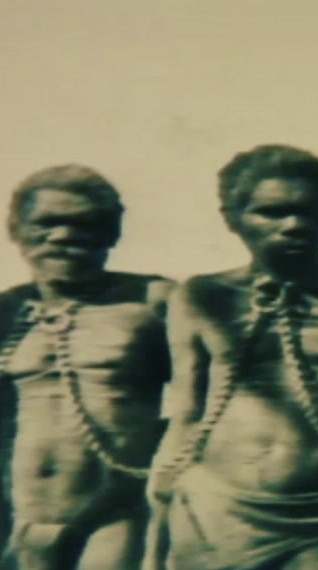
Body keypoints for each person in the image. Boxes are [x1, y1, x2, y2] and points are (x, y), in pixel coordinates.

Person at [143, 144, 318, 570]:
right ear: (231, 218)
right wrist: (158, 527)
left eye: (309, 211)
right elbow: (185, 413)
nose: (295, 225)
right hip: (214, 514)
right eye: (272, 213)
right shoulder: (201, 295)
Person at [0, 164, 173, 569]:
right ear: (16, 231)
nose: (63, 236)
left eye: (84, 224)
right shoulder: (7, 312)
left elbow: (213, 399)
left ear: (110, 234)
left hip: (113, 516)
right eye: (47, 223)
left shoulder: (152, 302)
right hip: (22, 515)